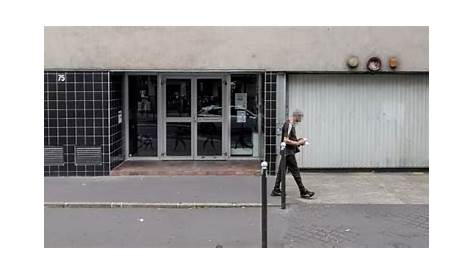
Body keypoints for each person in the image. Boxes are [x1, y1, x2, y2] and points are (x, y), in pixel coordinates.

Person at [271, 109, 315, 199]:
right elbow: (285, 140)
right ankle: (303, 191)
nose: (301, 120)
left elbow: (288, 139)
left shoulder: (289, 124)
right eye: (300, 117)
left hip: (286, 152)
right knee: (295, 172)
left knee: (281, 172)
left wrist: (299, 141)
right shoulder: (289, 125)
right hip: (288, 153)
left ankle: (276, 189)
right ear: (297, 116)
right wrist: (298, 143)